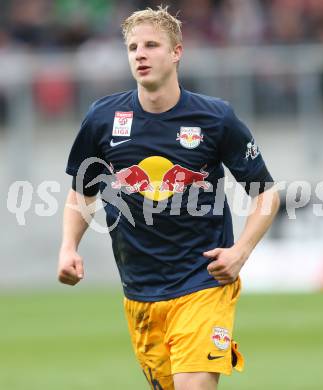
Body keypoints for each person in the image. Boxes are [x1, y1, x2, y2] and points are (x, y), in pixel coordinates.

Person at [57, 6, 280, 390]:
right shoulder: (103, 119)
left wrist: (240, 252)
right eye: (132, 48)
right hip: (141, 291)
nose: (139, 54)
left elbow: (266, 193)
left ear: (176, 52)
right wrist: (67, 247)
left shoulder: (215, 119)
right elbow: (82, 192)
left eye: (151, 45)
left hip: (203, 284)